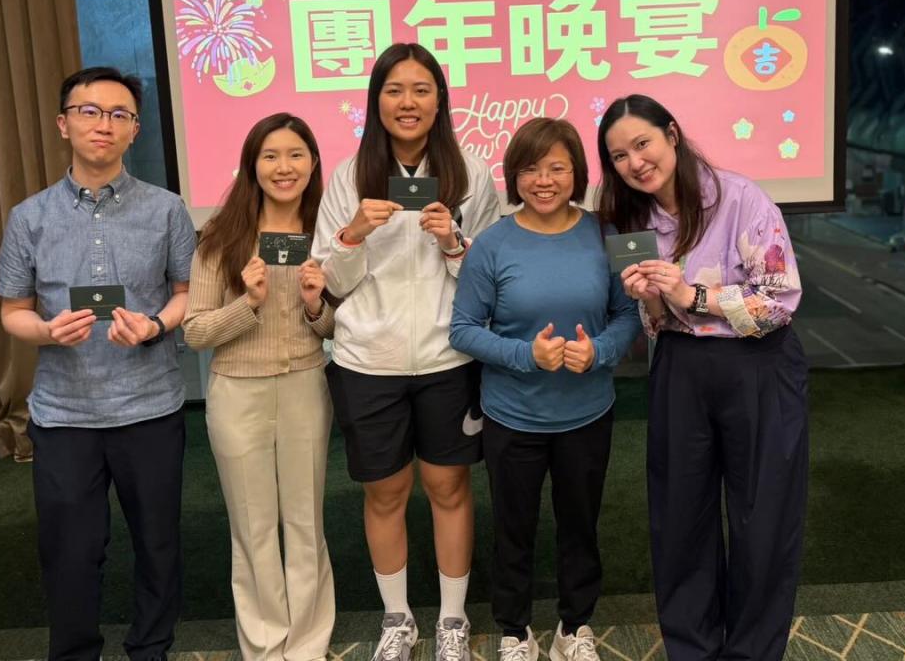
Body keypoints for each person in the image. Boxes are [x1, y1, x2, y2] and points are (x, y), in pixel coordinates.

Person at [597, 94, 807, 661]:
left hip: (757, 365)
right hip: (681, 367)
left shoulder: (740, 198)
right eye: (619, 156)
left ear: (672, 134)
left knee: (763, 516)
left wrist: (691, 294)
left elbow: (779, 303)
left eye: (642, 144)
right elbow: (658, 323)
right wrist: (650, 299)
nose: (635, 162)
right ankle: (691, 648)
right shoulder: (634, 219)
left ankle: (754, 651)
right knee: (680, 516)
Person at [0, 66, 195, 661]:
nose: (103, 124)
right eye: (89, 111)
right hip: (64, 415)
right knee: (70, 551)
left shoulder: (167, 210)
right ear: (64, 124)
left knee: (158, 544)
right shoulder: (28, 217)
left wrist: (156, 325)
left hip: (150, 407)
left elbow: (188, 293)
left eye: (119, 114)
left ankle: (151, 649)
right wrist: (46, 331)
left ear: (135, 130)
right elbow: (12, 312)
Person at [312, 42, 500, 661]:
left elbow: (491, 278)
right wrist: (354, 234)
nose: (408, 102)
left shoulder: (471, 173)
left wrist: (454, 242)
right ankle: (398, 620)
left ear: (440, 99)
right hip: (368, 361)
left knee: (449, 487)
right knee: (385, 493)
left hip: (449, 358)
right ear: (376, 101)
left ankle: (451, 620)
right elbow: (330, 283)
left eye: (421, 89)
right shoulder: (349, 176)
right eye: (394, 90)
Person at [451, 118, 638, 661]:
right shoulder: (492, 243)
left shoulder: (608, 233)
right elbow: (462, 329)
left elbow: (628, 315)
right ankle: (515, 632)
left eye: (557, 167)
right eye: (530, 169)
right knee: (513, 529)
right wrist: (524, 355)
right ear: (514, 176)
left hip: (587, 413)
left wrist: (599, 350)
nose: (544, 181)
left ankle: (574, 629)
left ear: (577, 172)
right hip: (513, 417)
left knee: (580, 526)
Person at [183, 113, 336, 661]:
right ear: (252, 165)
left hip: (305, 386)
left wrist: (316, 306)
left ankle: (308, 644)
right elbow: (195, 331)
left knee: (305, 521)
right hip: (237, 394)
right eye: (270, 156)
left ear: (313, 163)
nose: (283, 167)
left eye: (296, 154)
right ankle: (265, 645)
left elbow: (335, 328)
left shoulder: (325, 232)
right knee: (252, 527)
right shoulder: (221, 237)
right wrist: (246, 303)